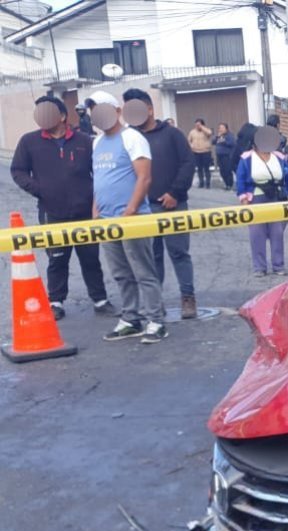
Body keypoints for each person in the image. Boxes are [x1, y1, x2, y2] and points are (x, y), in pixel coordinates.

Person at [10, 95, 115, 320]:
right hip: (52, 212)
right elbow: (18, 170)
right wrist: (38, 189)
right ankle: (56, 301)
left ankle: (100, 299)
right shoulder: (29, 141)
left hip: (84, 212)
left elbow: (99, 172)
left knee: (90, 257)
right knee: (57, 259)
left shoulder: (84, 141)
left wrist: (96, 202)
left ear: (62, 116)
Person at [89, 90, 166, 343]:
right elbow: (100, 179)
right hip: (107, 220)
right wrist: (95, 209)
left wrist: (131, 209)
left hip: (133, 219)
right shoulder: (97, 142)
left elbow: (144, 177)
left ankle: (156, 320)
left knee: (144, 271)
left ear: (117, 111)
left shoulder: (132, 138)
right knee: (121, 273)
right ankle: (131, 319)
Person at [123, 88, 198, 320]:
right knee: (151, 258)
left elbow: (187, 163)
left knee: (179, 253)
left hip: (173, 206)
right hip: (143, 209)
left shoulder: (172, 134)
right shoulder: (129, 138)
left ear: (149, 109)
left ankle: (188, 297)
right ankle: (156, 304)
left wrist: (175, 192)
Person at [236, 130, 288, 276]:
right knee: (257, 233)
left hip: (276, 198)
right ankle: (259, 267)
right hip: (256, 198)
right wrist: (243, 197)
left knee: (277, 232)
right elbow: (240, 178)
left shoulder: (279, 157)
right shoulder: (246, 158)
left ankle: (278, 266)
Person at [187, 118, 214, 189]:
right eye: (196, 124)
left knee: (206, 168)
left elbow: (209, 133)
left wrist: (202, 128)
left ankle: (208, 183)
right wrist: (191, 146)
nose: (197, 126)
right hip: (196, 152)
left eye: (199, 124)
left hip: (206, 152)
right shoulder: (192, 132)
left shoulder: (206, 130)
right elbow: (188, 140)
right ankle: (201, 182)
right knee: (199, 168)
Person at [213, 122, 236, 189]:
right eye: (219, 128)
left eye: (222, 128)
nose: (220, 129)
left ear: (226, 129)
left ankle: (229, 184)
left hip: (226, 156)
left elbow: (232, 143)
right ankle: (226, 183)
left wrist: (224, 141)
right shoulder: (219, 136)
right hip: (219, 156)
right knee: (222, 171)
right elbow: (213, 142)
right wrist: (217, 137)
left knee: (227, 171)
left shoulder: (229, 135)